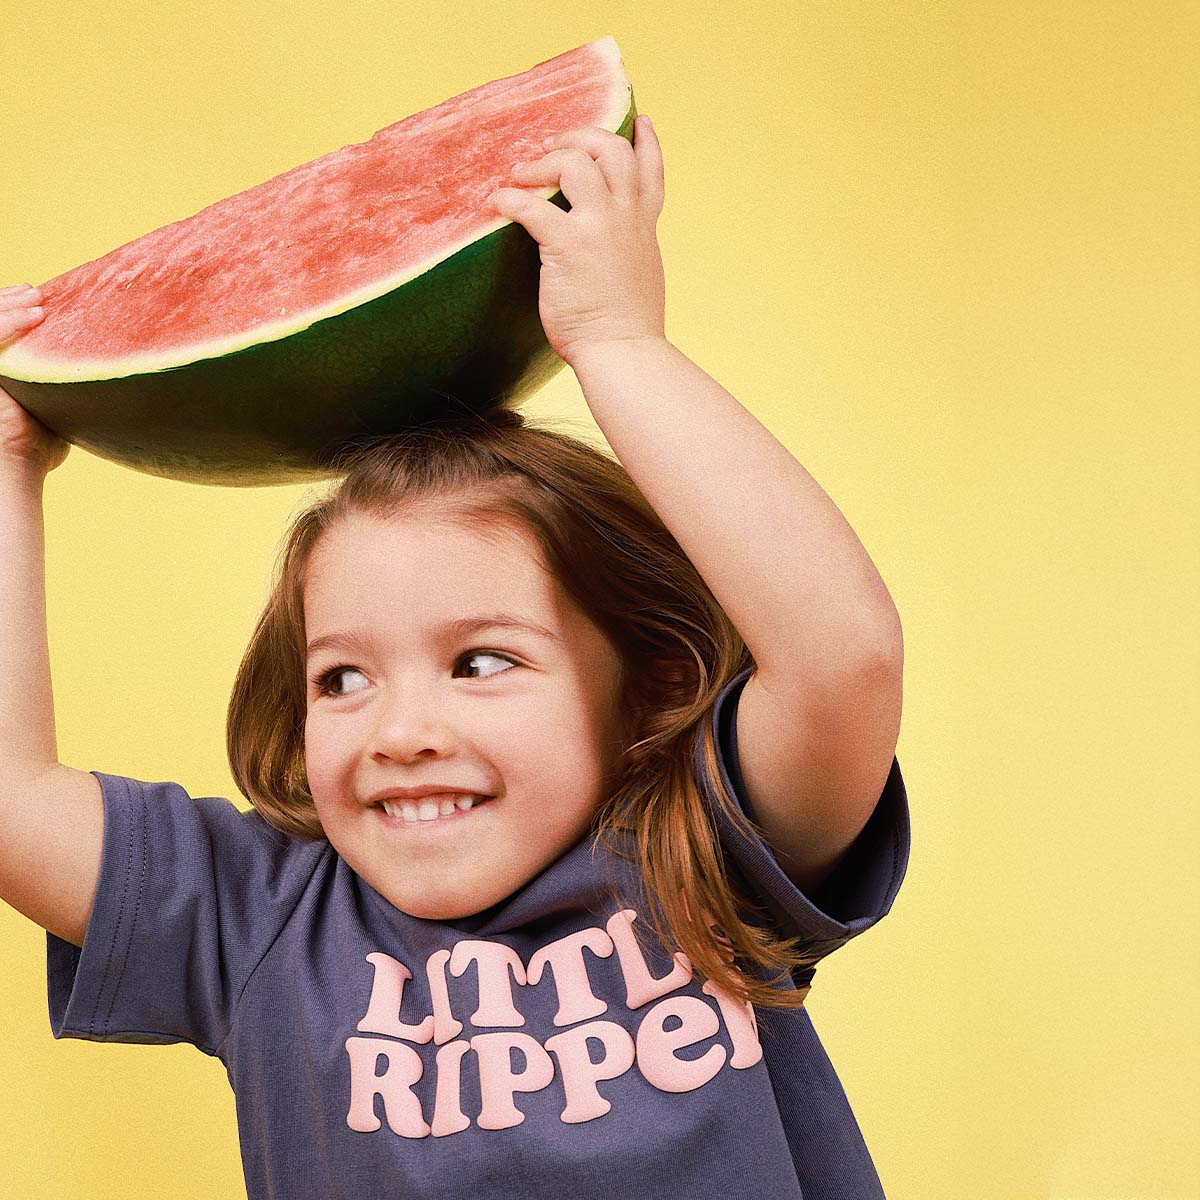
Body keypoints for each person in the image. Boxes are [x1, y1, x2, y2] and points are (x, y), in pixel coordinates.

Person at [0, 114, 910, 1199]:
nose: (402, 732)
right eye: (341, 678)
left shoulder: (700, 853)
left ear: (649, 689)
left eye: (482, 663)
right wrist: (6, 471)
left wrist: (619, 345)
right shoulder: (259, 914)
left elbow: (842, 658)